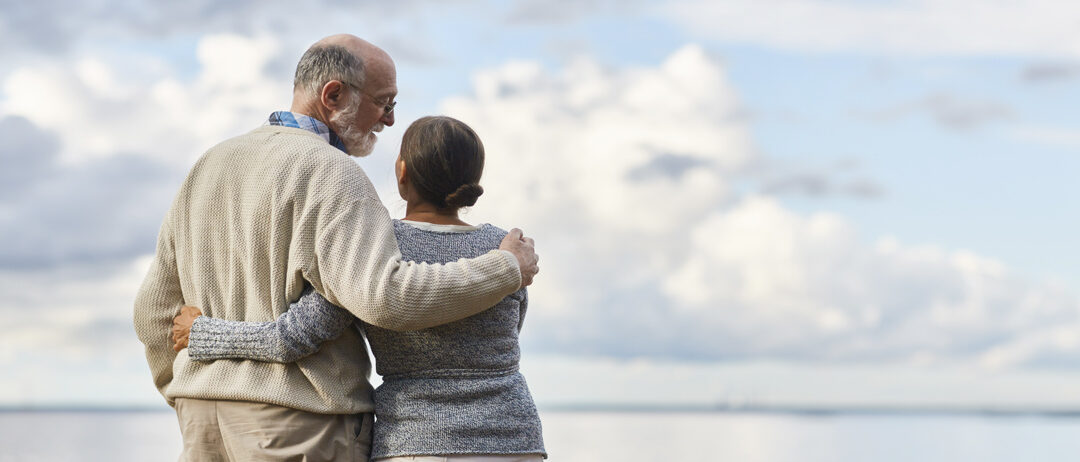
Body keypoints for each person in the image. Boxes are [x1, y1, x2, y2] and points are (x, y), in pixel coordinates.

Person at [133, 34, 539, 462]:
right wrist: (505, 268)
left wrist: (187, 389)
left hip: (202, 421)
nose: (389, 121)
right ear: (334, 94)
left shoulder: (207, 165)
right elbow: (384, 297)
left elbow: (152, 311)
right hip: (298, 424)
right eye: (385, 103)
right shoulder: (333, 173)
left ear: (403, 175)